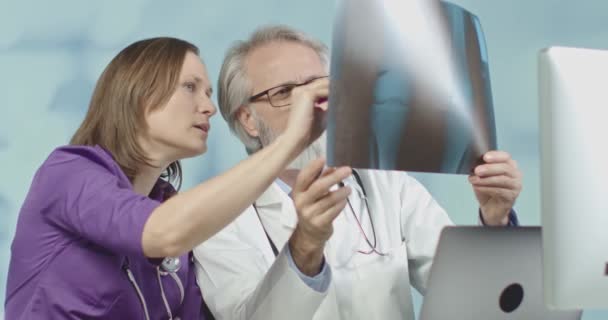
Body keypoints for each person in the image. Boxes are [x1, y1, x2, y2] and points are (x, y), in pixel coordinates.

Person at [193, 25, 523, 320]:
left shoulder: (386, 183)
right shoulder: (217, 219)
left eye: (318, 86)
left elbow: (468, 299)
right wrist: (306, 245)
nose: (313, 103)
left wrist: (493, 221)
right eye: (284, 93)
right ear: (248, 120)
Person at [4, 36, 345, 319]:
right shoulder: (68, 174)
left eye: (209, 93)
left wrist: (308, 243)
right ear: (138, 95)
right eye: (190, 87)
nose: (209, 107)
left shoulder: (177, 221)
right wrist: (289, 142)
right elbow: (160, 233)